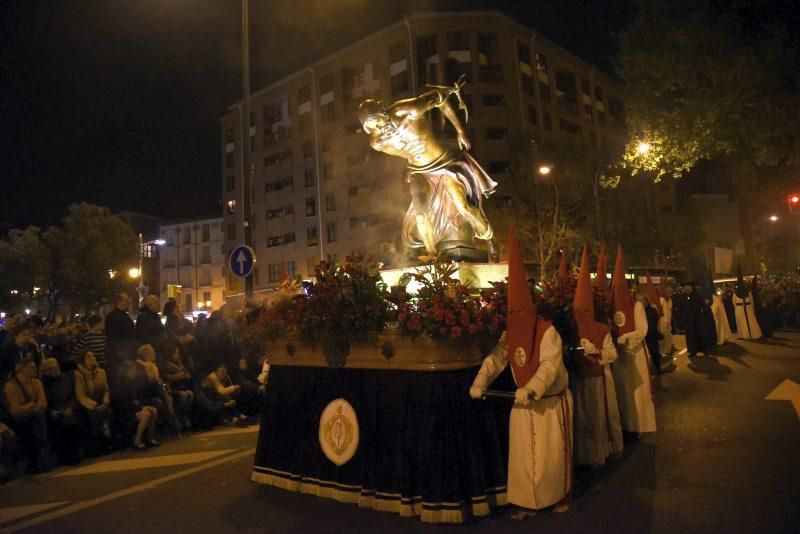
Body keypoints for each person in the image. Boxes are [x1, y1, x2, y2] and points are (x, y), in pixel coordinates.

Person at [470, 228, 572, 518]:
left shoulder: (547, 330)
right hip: (522, 402)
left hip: (548, 402)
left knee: (551, 457)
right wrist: (480, 381)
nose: (516, 319)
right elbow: (498, 358)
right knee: (524, 459)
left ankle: (556, 497)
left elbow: (549, 366)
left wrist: (533, 387)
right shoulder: (511, 332)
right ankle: (528, 502)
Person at [358, 77, 499, 261]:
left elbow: (439, 98)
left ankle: (490, 239)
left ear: (385, 112)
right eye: (374, 127)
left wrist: (460, 131)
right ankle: (433, 255)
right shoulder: (378, 142)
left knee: (463, 207)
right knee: (421, 214)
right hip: (419, 171)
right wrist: (411, 165)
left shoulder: (408, 110)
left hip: (444, 164)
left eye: (380, 122)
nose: (381, 128)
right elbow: (404, 153)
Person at [571, 245, 623, 467]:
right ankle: (584, 455)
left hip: (598, 378)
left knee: (599, 417)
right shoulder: (569, 328)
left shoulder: (602, 329)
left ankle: (599, 453)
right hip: (578, 379)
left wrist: (597, 351)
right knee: (582, 419)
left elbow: (612, 354)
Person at [608, 246, 656, 437]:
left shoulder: (636, 305)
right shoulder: (609, 308)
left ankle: (638, 425)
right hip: (619, 356)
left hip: (635, 354)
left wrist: (627, 337)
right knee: (622, 390)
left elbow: (643, 329)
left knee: (636, 391)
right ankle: (625, 425)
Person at [2, 358, 49, 472]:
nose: (35, 369)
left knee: (40, 416)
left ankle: (39, 453)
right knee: (37, 417)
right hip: (15, 420)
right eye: (32, 367)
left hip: (33, 417)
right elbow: (15, 411)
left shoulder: (36, 383)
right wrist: (32, 404)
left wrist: (29, 407)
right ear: (22, 369)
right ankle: (41, 449)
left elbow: (43, 404)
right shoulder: (11, 386)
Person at [40, 358, 82, 465]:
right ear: (46, 371)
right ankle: (64, 456)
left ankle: (74, 455)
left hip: (70, 408)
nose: (54, 370)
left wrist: (71, 407)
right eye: (50, 369)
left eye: (55, 367)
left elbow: (75, 395)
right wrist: (51, 411)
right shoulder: (43, 384)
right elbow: (43, 401)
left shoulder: (68, 378)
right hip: (54, 411)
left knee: (70, 421)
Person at [111, 362, 159, 450]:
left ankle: (150, 438)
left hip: (134, 409)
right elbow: (124, 404)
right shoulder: (120, 386)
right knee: (146, 414)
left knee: (154, 410)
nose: (134, 372)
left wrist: (141, 406)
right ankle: (137, 441)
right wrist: (140, 408)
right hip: (126, 413)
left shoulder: (133, 383)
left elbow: (137, 399)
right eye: (132, 370)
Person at [73, 349, 112, 455]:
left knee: (109, 412)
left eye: (93, 356)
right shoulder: (79, 374)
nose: (92, 358)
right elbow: (80, 395)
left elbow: (106, 390)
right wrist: (93, 406)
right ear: (83, 360)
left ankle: (109, 441)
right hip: (88, 405)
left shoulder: (101, 372)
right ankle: (99, 445)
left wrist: (105, 402)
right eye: (89, 357)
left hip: (101, 402)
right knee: (95, 415)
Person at [158, 344, 195, 430]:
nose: (177, 355)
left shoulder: (179, 363)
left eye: (178, 353)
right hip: (171, 389)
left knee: (190, 394)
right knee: (183, 395)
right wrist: (179, 375)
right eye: (175, 353)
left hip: (180, 387)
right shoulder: (165, 365)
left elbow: (188, 375)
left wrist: (179, 375)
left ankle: (183, 413)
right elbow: (168, 377)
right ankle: (176, 415)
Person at [105, 293, 137, 367]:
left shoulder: (125, 316)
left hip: (127, 353)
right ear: (119, 301)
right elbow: (112, 337)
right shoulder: (112, 316)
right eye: (126, 300)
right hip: (119, 356)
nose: (128, 302)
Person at [732, 271, 761, 339]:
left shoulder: (746, 293)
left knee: (746, 321)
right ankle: (744, 334)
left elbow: (734, 303)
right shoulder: (737, 293)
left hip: (742, 309)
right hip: (743, 308)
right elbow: (751, 302)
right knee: (742, 322)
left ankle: (748, 334)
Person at [641, 295, 663, 375]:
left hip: (652, 334)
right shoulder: (638, 312)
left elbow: (655, 320)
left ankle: (658, 368)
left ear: (646, 301)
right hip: (643, 336)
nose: (641, 302)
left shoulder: (652, 310)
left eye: (642, 300)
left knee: (655, 353)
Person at [658, 283, 675, 356]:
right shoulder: (661, 299)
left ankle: (667, 350)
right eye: (667, 292)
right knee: (662, 337)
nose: (669, 293)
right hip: (662, 321)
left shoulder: (670, 300)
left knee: (668, 336)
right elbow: (659, 309)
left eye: (670, 292)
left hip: (668, 321)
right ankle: (662, 351)